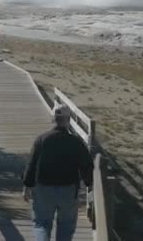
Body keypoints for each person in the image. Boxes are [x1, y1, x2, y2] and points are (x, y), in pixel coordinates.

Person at [22, 103, 93, 241]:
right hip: (68, 189)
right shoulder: (75, 142)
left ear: (53, 119)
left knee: (42, 223)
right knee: (66, 225)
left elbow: (31, 164)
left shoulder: (41, 139)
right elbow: (86, 165)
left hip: (43, 189)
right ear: (69, 119)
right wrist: (90, 185)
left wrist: (26, 186)